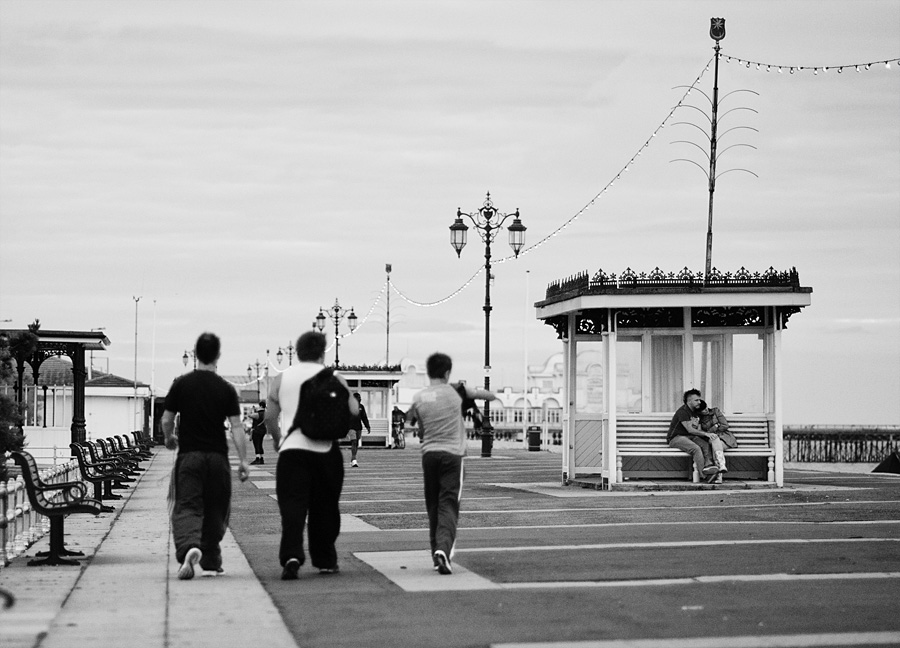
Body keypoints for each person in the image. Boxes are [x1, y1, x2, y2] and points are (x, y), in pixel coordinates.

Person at [265, 331, 358, 580]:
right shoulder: (334, 378)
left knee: (292, 507)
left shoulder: (282, 378)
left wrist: (277, 440)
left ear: (297, 352)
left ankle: (292, 556)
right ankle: (325, 560)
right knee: (325, 507)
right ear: (322, 352)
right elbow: (353, 409)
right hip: (326, 451)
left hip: (292, 451)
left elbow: (269, 417)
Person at [161, 332, 250, 580]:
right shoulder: (225, 388)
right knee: (216, 508)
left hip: (190, 456)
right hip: (217, 458)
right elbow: (237, 427)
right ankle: (211, 561)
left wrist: (169, 438)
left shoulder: (181, 384)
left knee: (187, 505)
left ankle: (189, 546)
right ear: (218, 355)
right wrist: (243, 460)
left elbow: (167, 419)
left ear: (195, 354)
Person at [406, 352, 495, 575]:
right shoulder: (456, 391)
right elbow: (489, 396)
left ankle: (436, 553)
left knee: (433, 506)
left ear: (428, 372)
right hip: (453, 456)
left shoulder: (419, 397)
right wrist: (472, 392)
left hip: (429, 455)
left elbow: (413, 423)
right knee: (448, 503)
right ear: (447, 372)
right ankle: (443, 550)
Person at [666, 389, 720, 482]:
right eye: (696, 400)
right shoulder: (683, 411)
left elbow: (697, 427)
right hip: (676, 438)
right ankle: (705, 476)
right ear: (689, 401)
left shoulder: (695, 411)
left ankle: (708, 467)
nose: (699, 402)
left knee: (705, 445)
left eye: (699, 400)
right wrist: (706, 434)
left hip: (689, 437)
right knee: (696, 448)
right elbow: (690, 429)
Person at [698, 399, 734, 483]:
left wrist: (711, 431)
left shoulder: (715, 411)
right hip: (711, 439)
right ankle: (721, 465)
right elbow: (700, 432)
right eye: (703, 410)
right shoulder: (699, 418)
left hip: (725, 439)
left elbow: (725, 425)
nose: (706, 410)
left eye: (706, 407)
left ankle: (719, 476)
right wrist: (715, 427)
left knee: (715, 446)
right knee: (714, 439)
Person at [348, 392, 370, 467]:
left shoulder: (361, 407)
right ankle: (354, 460)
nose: (360, 399)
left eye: (360, 397)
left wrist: (367, 426)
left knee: (356, 442)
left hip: (358, 427)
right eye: (358, 397)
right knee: (354, 442)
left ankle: (352, 459)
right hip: (351, 427)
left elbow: (364, 417)